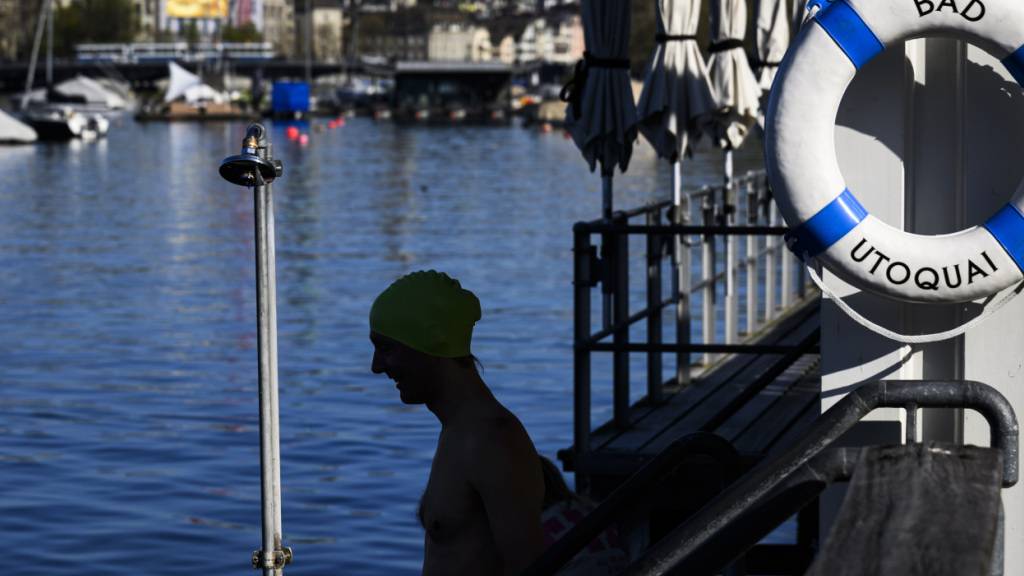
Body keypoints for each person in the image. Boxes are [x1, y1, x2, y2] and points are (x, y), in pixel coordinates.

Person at [369, 270, 545, 576]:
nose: (376, 366)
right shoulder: (458, 431)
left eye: (386, 349)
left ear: (429, 345)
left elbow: (528, 568)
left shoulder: (492, 441)